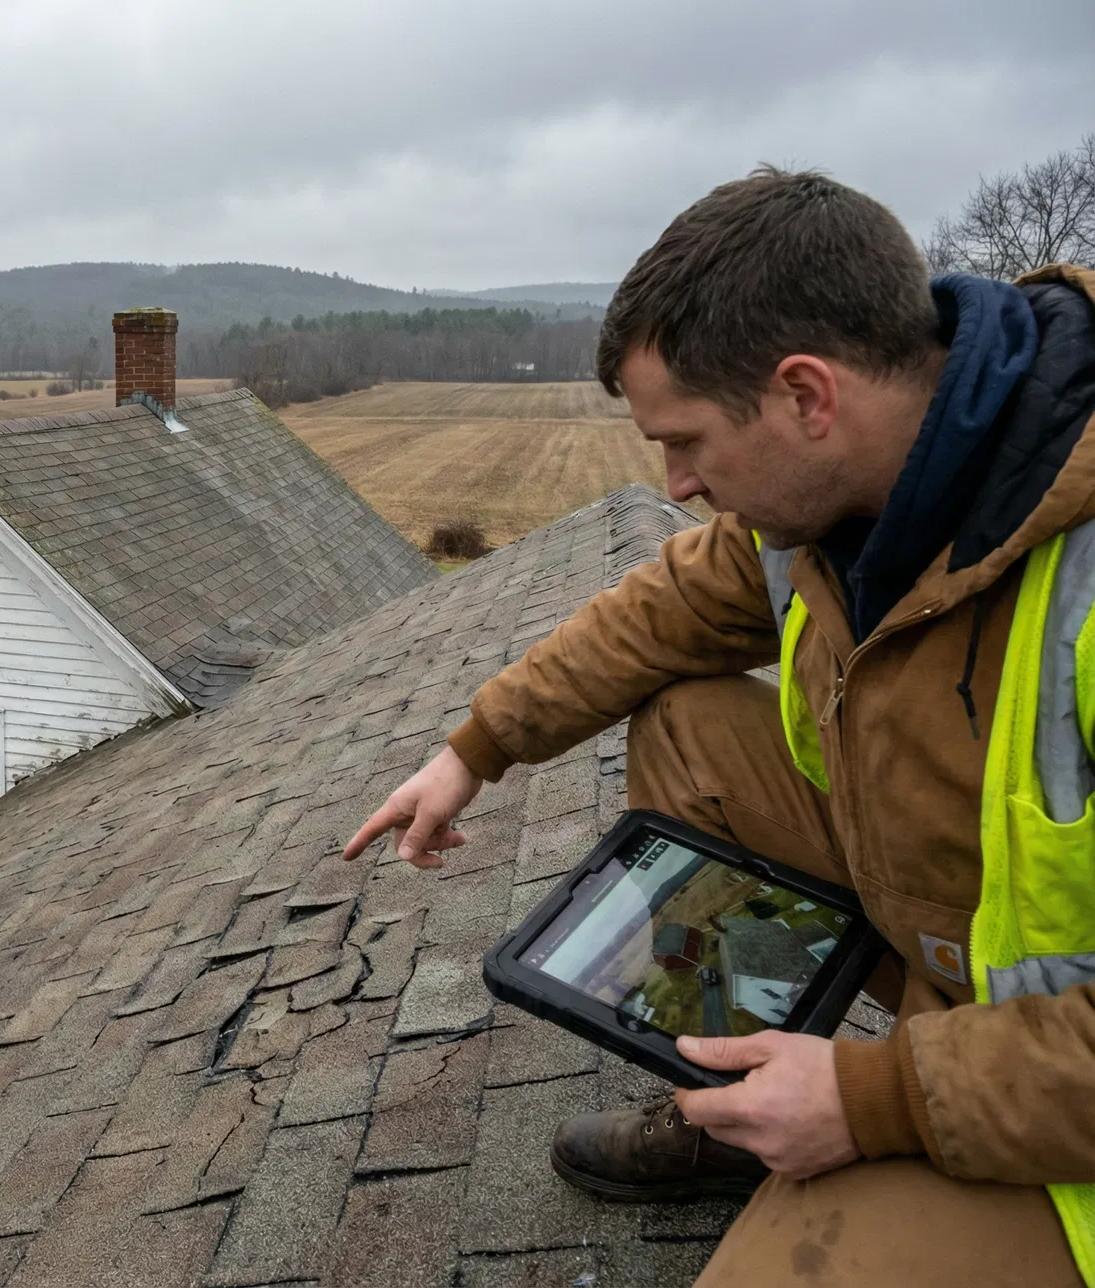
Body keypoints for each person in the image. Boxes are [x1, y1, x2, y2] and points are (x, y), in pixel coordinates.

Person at [346, 167, 1095, 1287]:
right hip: (958, 949)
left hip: (1060, 1087)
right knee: (691, 723)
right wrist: (477, 746)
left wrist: (874, 1099)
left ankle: (831, 1117)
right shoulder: (837, 495)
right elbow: (662, 612)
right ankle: (749, 1095)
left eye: (687, 440)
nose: (678, 482)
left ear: (807, 394)